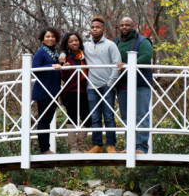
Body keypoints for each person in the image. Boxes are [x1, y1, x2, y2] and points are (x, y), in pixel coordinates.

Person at [82, 17, 123, 154]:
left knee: (109, 116)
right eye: (92, 27)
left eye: (97, 27)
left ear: (102, 29)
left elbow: (117, 65)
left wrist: (110, 84)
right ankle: (97, 145)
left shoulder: (111, 45)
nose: (94, 29)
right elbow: (71, 48)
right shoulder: (86, 45)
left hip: (107, 85)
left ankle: (111, 145)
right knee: (95, 117)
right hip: (91, 86)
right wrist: (63, 54)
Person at [115, 17, 154, 154]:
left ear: (133, 26)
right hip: (123, 85)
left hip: (140, 84)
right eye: (122, 25)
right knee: (126, 117)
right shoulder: (116, 42)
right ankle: (129, 146)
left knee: (141, 116)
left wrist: (129, 66)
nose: (124, 27)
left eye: (127, 25)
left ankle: (142, 147)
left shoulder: (143, 41)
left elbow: (146, 56)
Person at [31, 28, 63, 154]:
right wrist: (51, 66)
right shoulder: (41, 52)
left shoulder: (54, 52)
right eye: (47, 36)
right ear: (43, 38)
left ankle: (46, 148)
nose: (50, 39)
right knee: (44, 120)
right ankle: (44, 149)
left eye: (53, 36)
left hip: (54, 91)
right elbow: (34, 69)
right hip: (44, 91)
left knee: (48, 120)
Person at [59, 31, 92, 153]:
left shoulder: (84, 56)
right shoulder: (64, 58)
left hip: (84, 91)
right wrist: (64, 68)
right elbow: (61, 76)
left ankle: (81, 145)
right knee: (72, 118)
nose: (74, 43)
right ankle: (74, 148)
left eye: (76, 40)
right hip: (70, 92)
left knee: (88, 119)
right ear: (67, 44)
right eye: (71, 41)